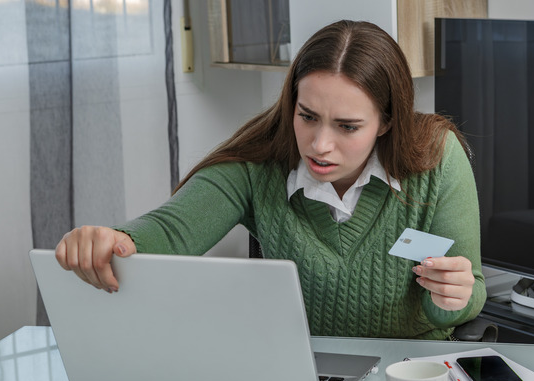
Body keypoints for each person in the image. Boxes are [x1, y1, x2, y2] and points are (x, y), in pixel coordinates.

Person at [55, 20, 485, 340]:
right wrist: (112, 239)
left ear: (387, 122)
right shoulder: (259, 161)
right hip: (298, 371)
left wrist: (454, 298)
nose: (319, 144)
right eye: (307, 117)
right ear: (291, 105)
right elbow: (171, 230)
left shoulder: (437, 156)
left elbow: (469, 295)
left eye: (347, 127)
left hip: (412, 374)